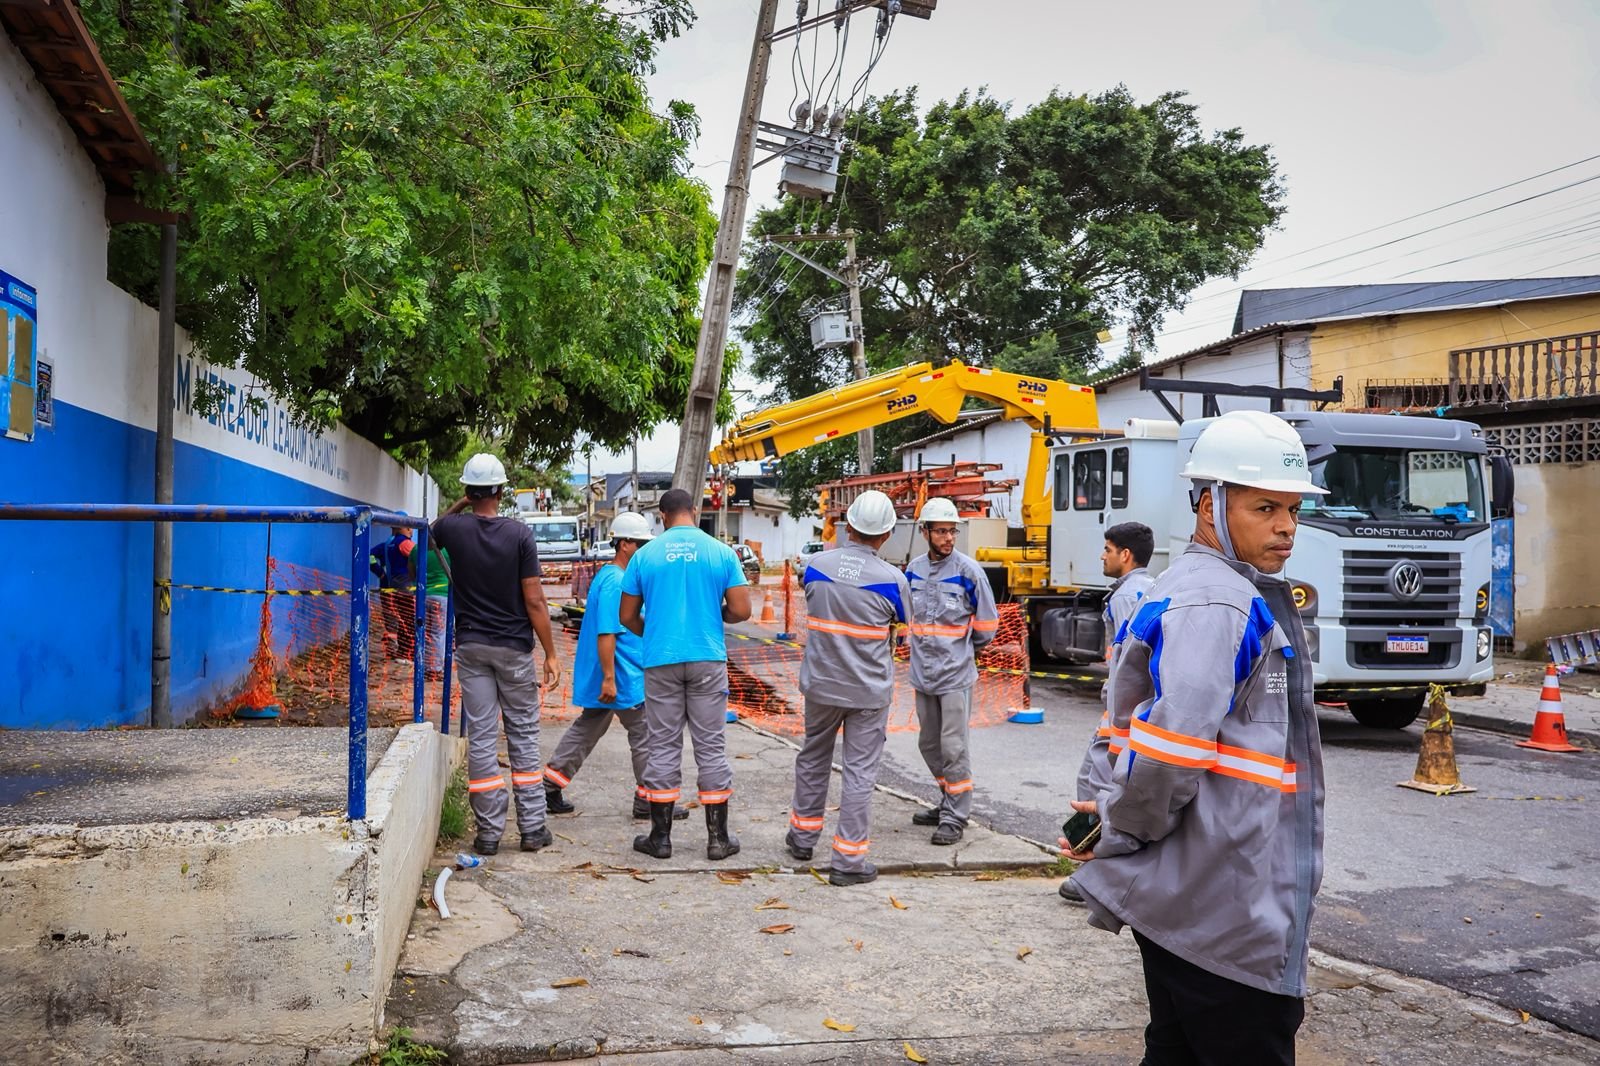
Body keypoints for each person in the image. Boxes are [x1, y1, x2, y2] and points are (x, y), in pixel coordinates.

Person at [1063, 410, 1327, 1065]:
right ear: (1209, 504)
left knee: (1176, 1049)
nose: (1287, 526)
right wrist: (1125, 830)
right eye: (1265, 507)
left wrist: (1119, 830)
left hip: (1192, 893)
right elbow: (1168, 754)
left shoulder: (1198, 587)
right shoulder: (1219, 603)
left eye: (1293, 508)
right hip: (1224, 902)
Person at [431, 453, 562, 856]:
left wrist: (462, 504)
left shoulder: (454, 528)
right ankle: (532, 829)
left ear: (469, 492)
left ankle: (488, 833)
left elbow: (431, 531)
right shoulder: (519, 535)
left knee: (483, 738)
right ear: (502, 491)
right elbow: (535, 600)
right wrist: (551, 653)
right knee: (522, 734)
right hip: (513, 649)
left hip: (471, 647)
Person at [784, 490, 911, 887]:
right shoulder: (893, 580)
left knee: (812, 758)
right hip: (867, 692)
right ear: (887, 534)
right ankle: (848, 861)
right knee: (859, 772)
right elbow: (904, 629)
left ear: (849, 525)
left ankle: (802, 838)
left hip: (821, 686)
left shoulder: (817, 566)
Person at [620, 488, 752, 861]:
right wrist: (715, 615)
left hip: (661, 659)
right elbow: (742, 610)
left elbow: (626, 616)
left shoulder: (645, 556)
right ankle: (718, 839)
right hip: (707, 657)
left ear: (662, 516)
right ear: (694, 511)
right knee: (711, 746)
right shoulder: (721, 552)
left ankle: (660, 839)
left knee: (662, 745)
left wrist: (657, 632)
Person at [542, 512, 687, 823]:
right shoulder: (616, 582)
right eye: (641, 543)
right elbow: (607, 632)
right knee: (645, 731)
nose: (645, 550)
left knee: (590, 726)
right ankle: (648, 799)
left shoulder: (614, 577)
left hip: (618, 672)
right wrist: (609, 678)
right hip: (622, 675)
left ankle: (550, 783)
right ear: (624, 544)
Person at [1060, 521, 1156, 903]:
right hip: (1136, 715)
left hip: (1120, 717)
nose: (1102, 555)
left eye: (1107, 549)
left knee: (1094, 789)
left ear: (1125, 555)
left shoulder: (1124, 596)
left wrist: (1116, 715)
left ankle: (1092, 876)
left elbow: (1124, 664)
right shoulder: (1153, 588)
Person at [905, 497, 999, 846]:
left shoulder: (968, 571)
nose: (948, 538)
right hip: (922, 674)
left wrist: (962, 650)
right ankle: (948, 798)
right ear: (925, 531)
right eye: (941, 531)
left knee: (954, 747)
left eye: (952, 531)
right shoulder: (913, 569)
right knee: (929, 744)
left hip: (955, 675)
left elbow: (987, 625)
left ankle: (955, 816)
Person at [371, 513, 416, 659]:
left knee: (391, 619)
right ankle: (406, 652)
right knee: (407, 618)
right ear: (401, 527)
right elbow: (420, 559)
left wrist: (380, 573)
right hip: (404, 586)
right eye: (409, 527)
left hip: (387, 586)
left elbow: (368, 555)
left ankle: (392, 649)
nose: (411, 531)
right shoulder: (405, 543)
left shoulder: (387, 544)